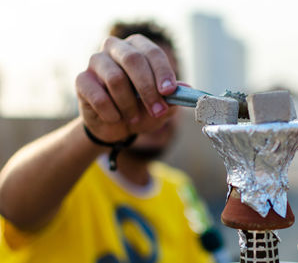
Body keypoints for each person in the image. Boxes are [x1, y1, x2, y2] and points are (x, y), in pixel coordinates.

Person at [0, 21, 227, 263]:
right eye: (139, 86)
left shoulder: (180, 189)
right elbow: (12, 207)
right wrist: (93, 132)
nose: (156, 104)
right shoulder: (67, 179)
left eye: (171, 86)